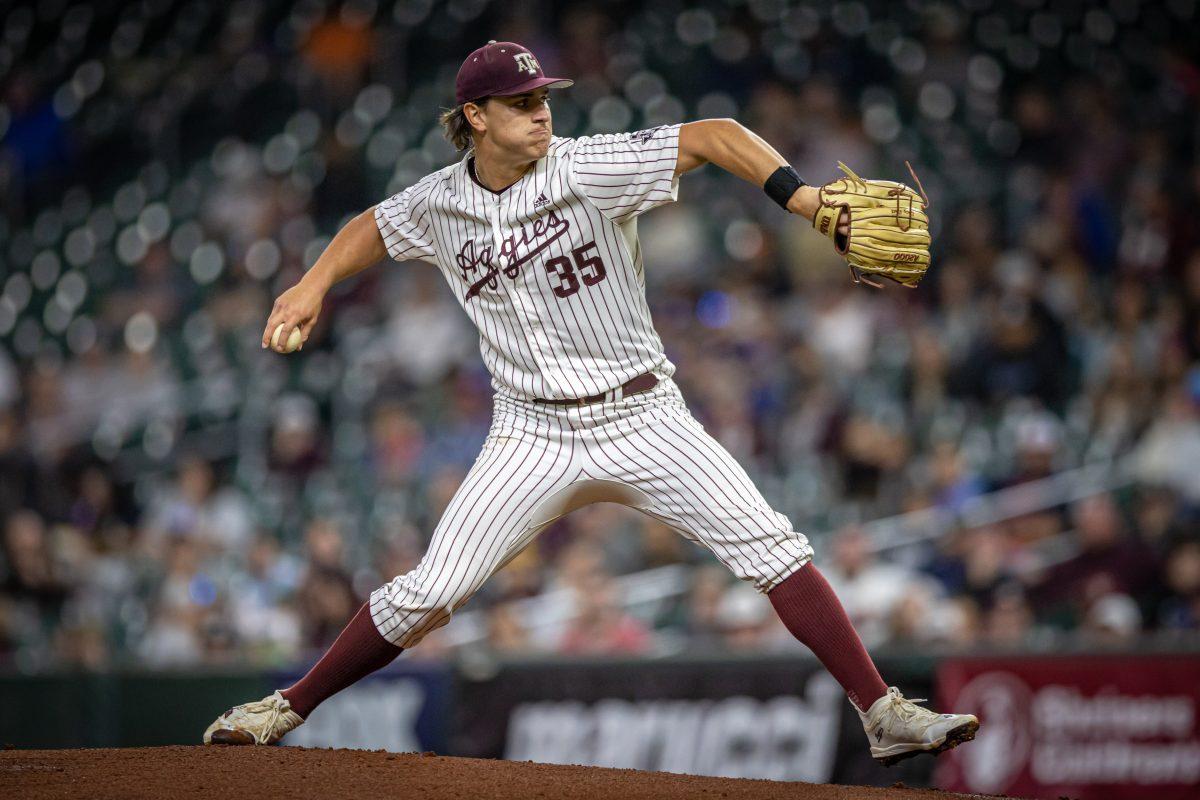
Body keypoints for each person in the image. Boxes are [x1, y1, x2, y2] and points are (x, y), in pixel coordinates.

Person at [204, 40, 977, 766]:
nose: (541, 111)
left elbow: (713, 134)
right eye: (519, 102)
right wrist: (311, 284)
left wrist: (804, 198)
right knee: (429, 591)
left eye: (543, 96)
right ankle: (287, 708)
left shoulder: (587, 166)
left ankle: (881, 713)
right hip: (530, 433)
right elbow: (373, 225)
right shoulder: (439, 202)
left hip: (643, 415)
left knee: (773, 548)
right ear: (475, 118)